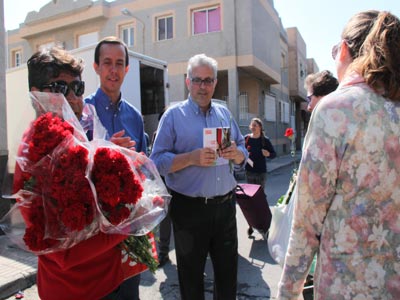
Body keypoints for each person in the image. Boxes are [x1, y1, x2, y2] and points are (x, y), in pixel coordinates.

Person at [278, 10, 400, 299]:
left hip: (345, 286)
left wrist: (288, 292)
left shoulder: (336, 109)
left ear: (344, 49)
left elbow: (307, 222)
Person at [14, 47, 128, 300]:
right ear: (37, 95)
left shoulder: (78, 133)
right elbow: (61, 252)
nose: (74, 98)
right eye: (60, 88)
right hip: (72, 290)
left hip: (111, 281)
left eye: (77, 88)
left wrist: (109, 159)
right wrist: (129, 221)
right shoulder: (33, 154)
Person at [150, 53, 248, 299]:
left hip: (225, 207)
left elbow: (243, 149)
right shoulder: (173, 116)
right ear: (187, 82)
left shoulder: (224, 114)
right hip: (189, 210)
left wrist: (237, 154)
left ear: (215, 83)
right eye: (197, 80)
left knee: (227, 278)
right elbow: (156, 162)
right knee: (191, 280)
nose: (203, 87)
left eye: (208, 80)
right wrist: (190, 158)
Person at [83, 36, 147, 300]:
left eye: (119, 63)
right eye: (107, 62)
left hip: (128, 230)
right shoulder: (82, 111)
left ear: (127, 70)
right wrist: (106, 150)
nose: (113, 69)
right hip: (92, 233)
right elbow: (70, 171)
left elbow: (145, 169)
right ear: (96, 67)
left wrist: (137, 161)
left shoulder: (135, 116)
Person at [244, 117, 276, 187]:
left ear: (260, 127)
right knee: (250, 194)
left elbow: (273, 154)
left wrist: (268, 154)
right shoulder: (246, 138)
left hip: (261, 172)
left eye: (255, 125)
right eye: (251, 125)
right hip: (249, 171)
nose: (253, 127)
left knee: (259, 194)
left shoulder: (265, 140)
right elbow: (242, 151)